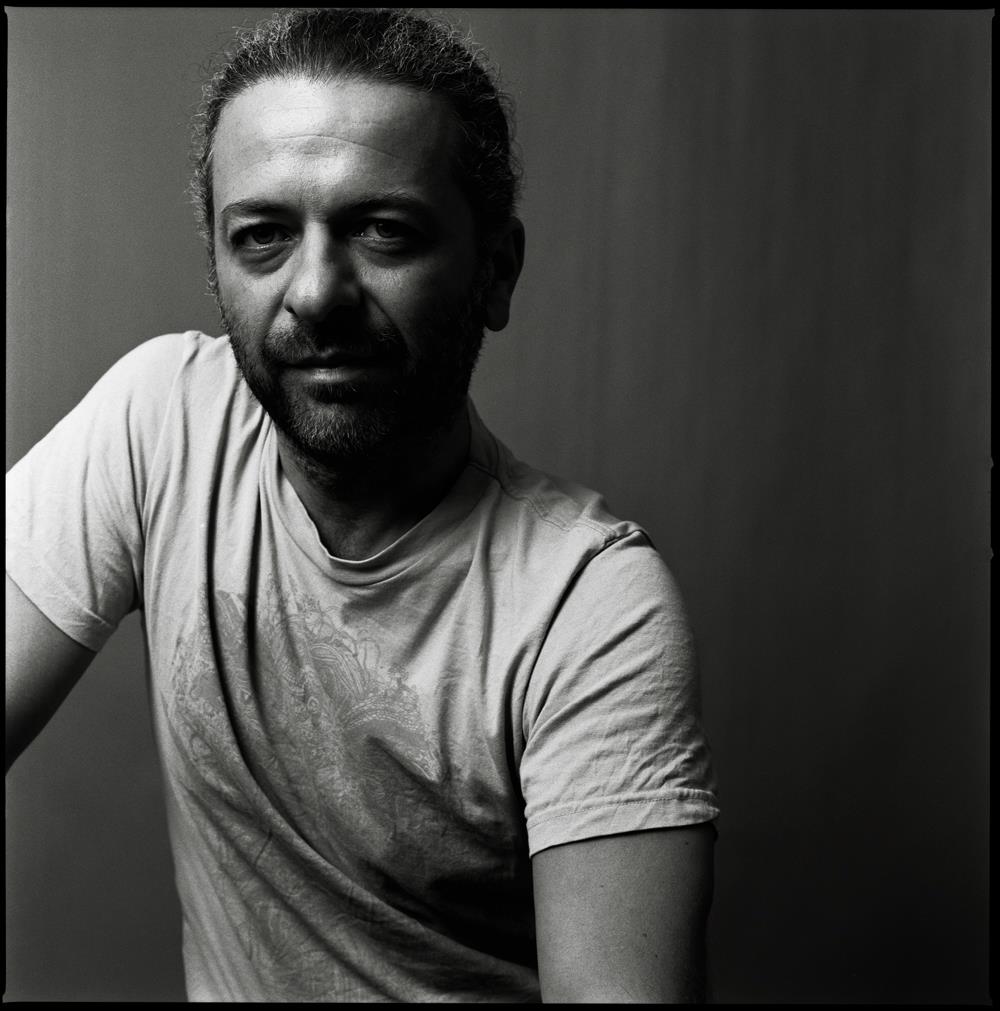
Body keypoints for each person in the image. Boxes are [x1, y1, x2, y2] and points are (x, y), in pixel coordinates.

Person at [6, 7, 719, 1003]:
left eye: (384, 231)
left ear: (496, 270)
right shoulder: (162, 425)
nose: (316, 293)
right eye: (262, 237)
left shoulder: (589, 606)